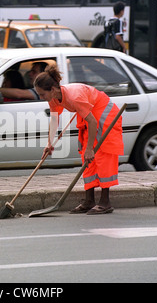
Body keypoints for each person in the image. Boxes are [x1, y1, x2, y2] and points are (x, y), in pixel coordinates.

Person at [34, 65, 124, 215]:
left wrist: (90, 149)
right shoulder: (54, 98)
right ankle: (89, 201)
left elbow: (93, 122)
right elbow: (55, 120)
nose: (41, 98)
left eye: (42, 94)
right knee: (86, 156)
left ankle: (105, 202)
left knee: (101, 154)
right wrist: (49, 143)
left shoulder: (74, 97)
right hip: (89, 114)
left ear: (53, 90)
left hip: (103, 113)